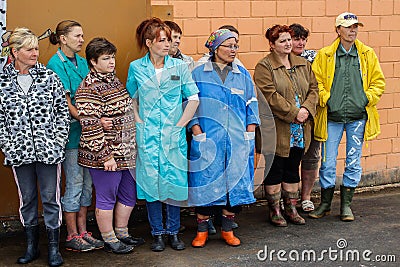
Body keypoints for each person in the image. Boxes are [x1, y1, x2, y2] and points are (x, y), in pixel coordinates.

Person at [126, 18, 199, 252]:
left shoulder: (178, 67)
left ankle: (174, 232)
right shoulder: (137, 67)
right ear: (149, 43)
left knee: (174, 184)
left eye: (169, 39)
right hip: (147, 135)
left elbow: (193, 98)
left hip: (172, 136)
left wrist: (180, 125)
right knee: (151, 185)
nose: (168, 44)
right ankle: (157, 233)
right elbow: (131, 100)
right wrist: (139, 123)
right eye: (162, 40)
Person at [0, 27, 69, 267]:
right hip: (19, 154)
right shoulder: (3, 82)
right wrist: (8, 145)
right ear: (15, 51)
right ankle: (31, 246)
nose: (35, 53)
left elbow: (62, 112)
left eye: (36, 48)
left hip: (49, 152)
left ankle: (53, 248)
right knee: (27, 198)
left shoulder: (49, 78)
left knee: (51, 198)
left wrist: (58, 141)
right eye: (29, 49)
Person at [309, 12, 385, 221]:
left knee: (353, 161)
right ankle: (325, 204)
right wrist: (327, 99)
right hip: (331, 118)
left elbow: (379, 82)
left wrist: (365, 98)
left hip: (357, 117)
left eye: (355, 27)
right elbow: (316, 82)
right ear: (338, 30)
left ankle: (346, 205)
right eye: (348, 27)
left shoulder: (367, 54)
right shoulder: (325, 55)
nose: (353, 30)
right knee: (327, 162)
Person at [189, 29, 260, 248]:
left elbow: (252, 104)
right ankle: (202, 231)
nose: (233, 50)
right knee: (205, 184)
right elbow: (190, 105)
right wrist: (197, 132)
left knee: (234, 187)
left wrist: (249, 133)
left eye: (236, 45)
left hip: (237, 141)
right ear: (214, 47)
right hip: (208, 138)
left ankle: (227, 231)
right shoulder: (198, 72)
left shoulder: (242, 74)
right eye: (229, 45)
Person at [75, 37, 144, 254]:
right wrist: (106, 156)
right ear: (93, 62)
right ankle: (109, 238)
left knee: (128, 193)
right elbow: (90, 125)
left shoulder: (113, 80)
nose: (112, 61)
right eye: (106, 58)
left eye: (113, 57)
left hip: (125, 152)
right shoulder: (89, 87)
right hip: (104, 155)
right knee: (107, 196)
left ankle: (122, 232)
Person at [47, 20, 103, 252]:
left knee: (87, 185)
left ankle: (83, 231)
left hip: (89, 135)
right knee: (74, 184)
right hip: (72, 135)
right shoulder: (55, 64)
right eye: (77, 36)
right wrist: (88, 119)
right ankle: (71, 235)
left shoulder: (82, 62)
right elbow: (66, 102)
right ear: (63, 39)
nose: (82, 40)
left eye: (82, 35)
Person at [254, 25, 318, 227]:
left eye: (289, 39)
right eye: (282, 41)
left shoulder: (302, 64)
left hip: (299, 129)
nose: (288, 43)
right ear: (272, 45)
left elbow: (314, 89)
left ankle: (290, 208)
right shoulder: (264, 66)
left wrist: (306, 109)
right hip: (276, 128)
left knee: (292, 168)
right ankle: (275, 210)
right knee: (275, 169)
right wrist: (294, 113)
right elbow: (269, 95)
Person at [289, 23, 319, 212]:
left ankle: (306, 197)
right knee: (289, 158)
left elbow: (318, 86)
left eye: (303, 39)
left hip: (311, 115)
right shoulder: (281, 60)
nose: (300, 42)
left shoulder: (314, 58)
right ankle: (288, 199)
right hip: (289, 118)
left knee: (311, 156)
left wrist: (307, 109)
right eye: (296, 38)